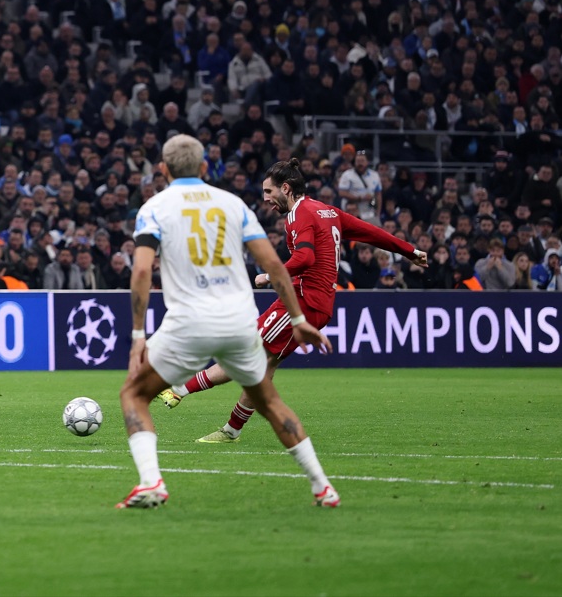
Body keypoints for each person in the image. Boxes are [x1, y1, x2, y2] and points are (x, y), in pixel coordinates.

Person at [118, 136, 339, 509]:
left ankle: (150, 482)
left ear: (164, 170)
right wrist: (298, 319)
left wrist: (138, 335)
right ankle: (322, 487)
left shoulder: (154, 207)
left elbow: (141, 271)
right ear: (205, 168)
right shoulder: (233, 205)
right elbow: (274, 266)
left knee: (133, 394)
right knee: (267, 400)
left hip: (188, 321)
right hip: (238, 320)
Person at [160, 158, 427, 439]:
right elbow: (369, 232)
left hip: (303, 301)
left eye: (268, 192)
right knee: (265, 365)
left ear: (285, 188)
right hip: (313, 302)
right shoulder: (325, 211)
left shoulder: (298, 215)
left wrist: (270, 275)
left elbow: (305, 256)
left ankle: (179, 389)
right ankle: (230, 431)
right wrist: (409, 250)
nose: (266, 200)